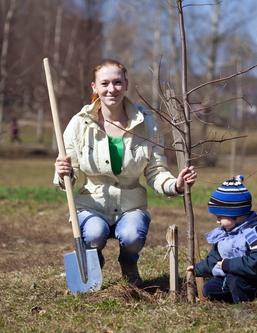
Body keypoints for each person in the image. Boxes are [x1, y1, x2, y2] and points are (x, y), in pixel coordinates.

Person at [54, 59, 197, 287]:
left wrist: (175, 185)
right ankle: (93, 262)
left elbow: (155, 171)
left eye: (117, 82)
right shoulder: (79, 124)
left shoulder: (146, 123)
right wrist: (65, 173)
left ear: (126, 84)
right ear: (94, 87)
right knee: (92, 234)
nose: (112, 89)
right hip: (91, 204)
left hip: (130, 205)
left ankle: (129, 262)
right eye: (105, 83)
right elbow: (72, 176)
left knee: (132, 237)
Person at [187, 175, 257, 303]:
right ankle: (233, 300)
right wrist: (198, 269)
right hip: (231, 275)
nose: (217, 221)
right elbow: (214, 258)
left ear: (235, 214)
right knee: (209, 288)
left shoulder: (255, 233)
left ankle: (246, 302)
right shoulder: (225, 233)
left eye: (220, 217)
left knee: (234, 281)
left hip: (256, 280)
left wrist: (228, 265)